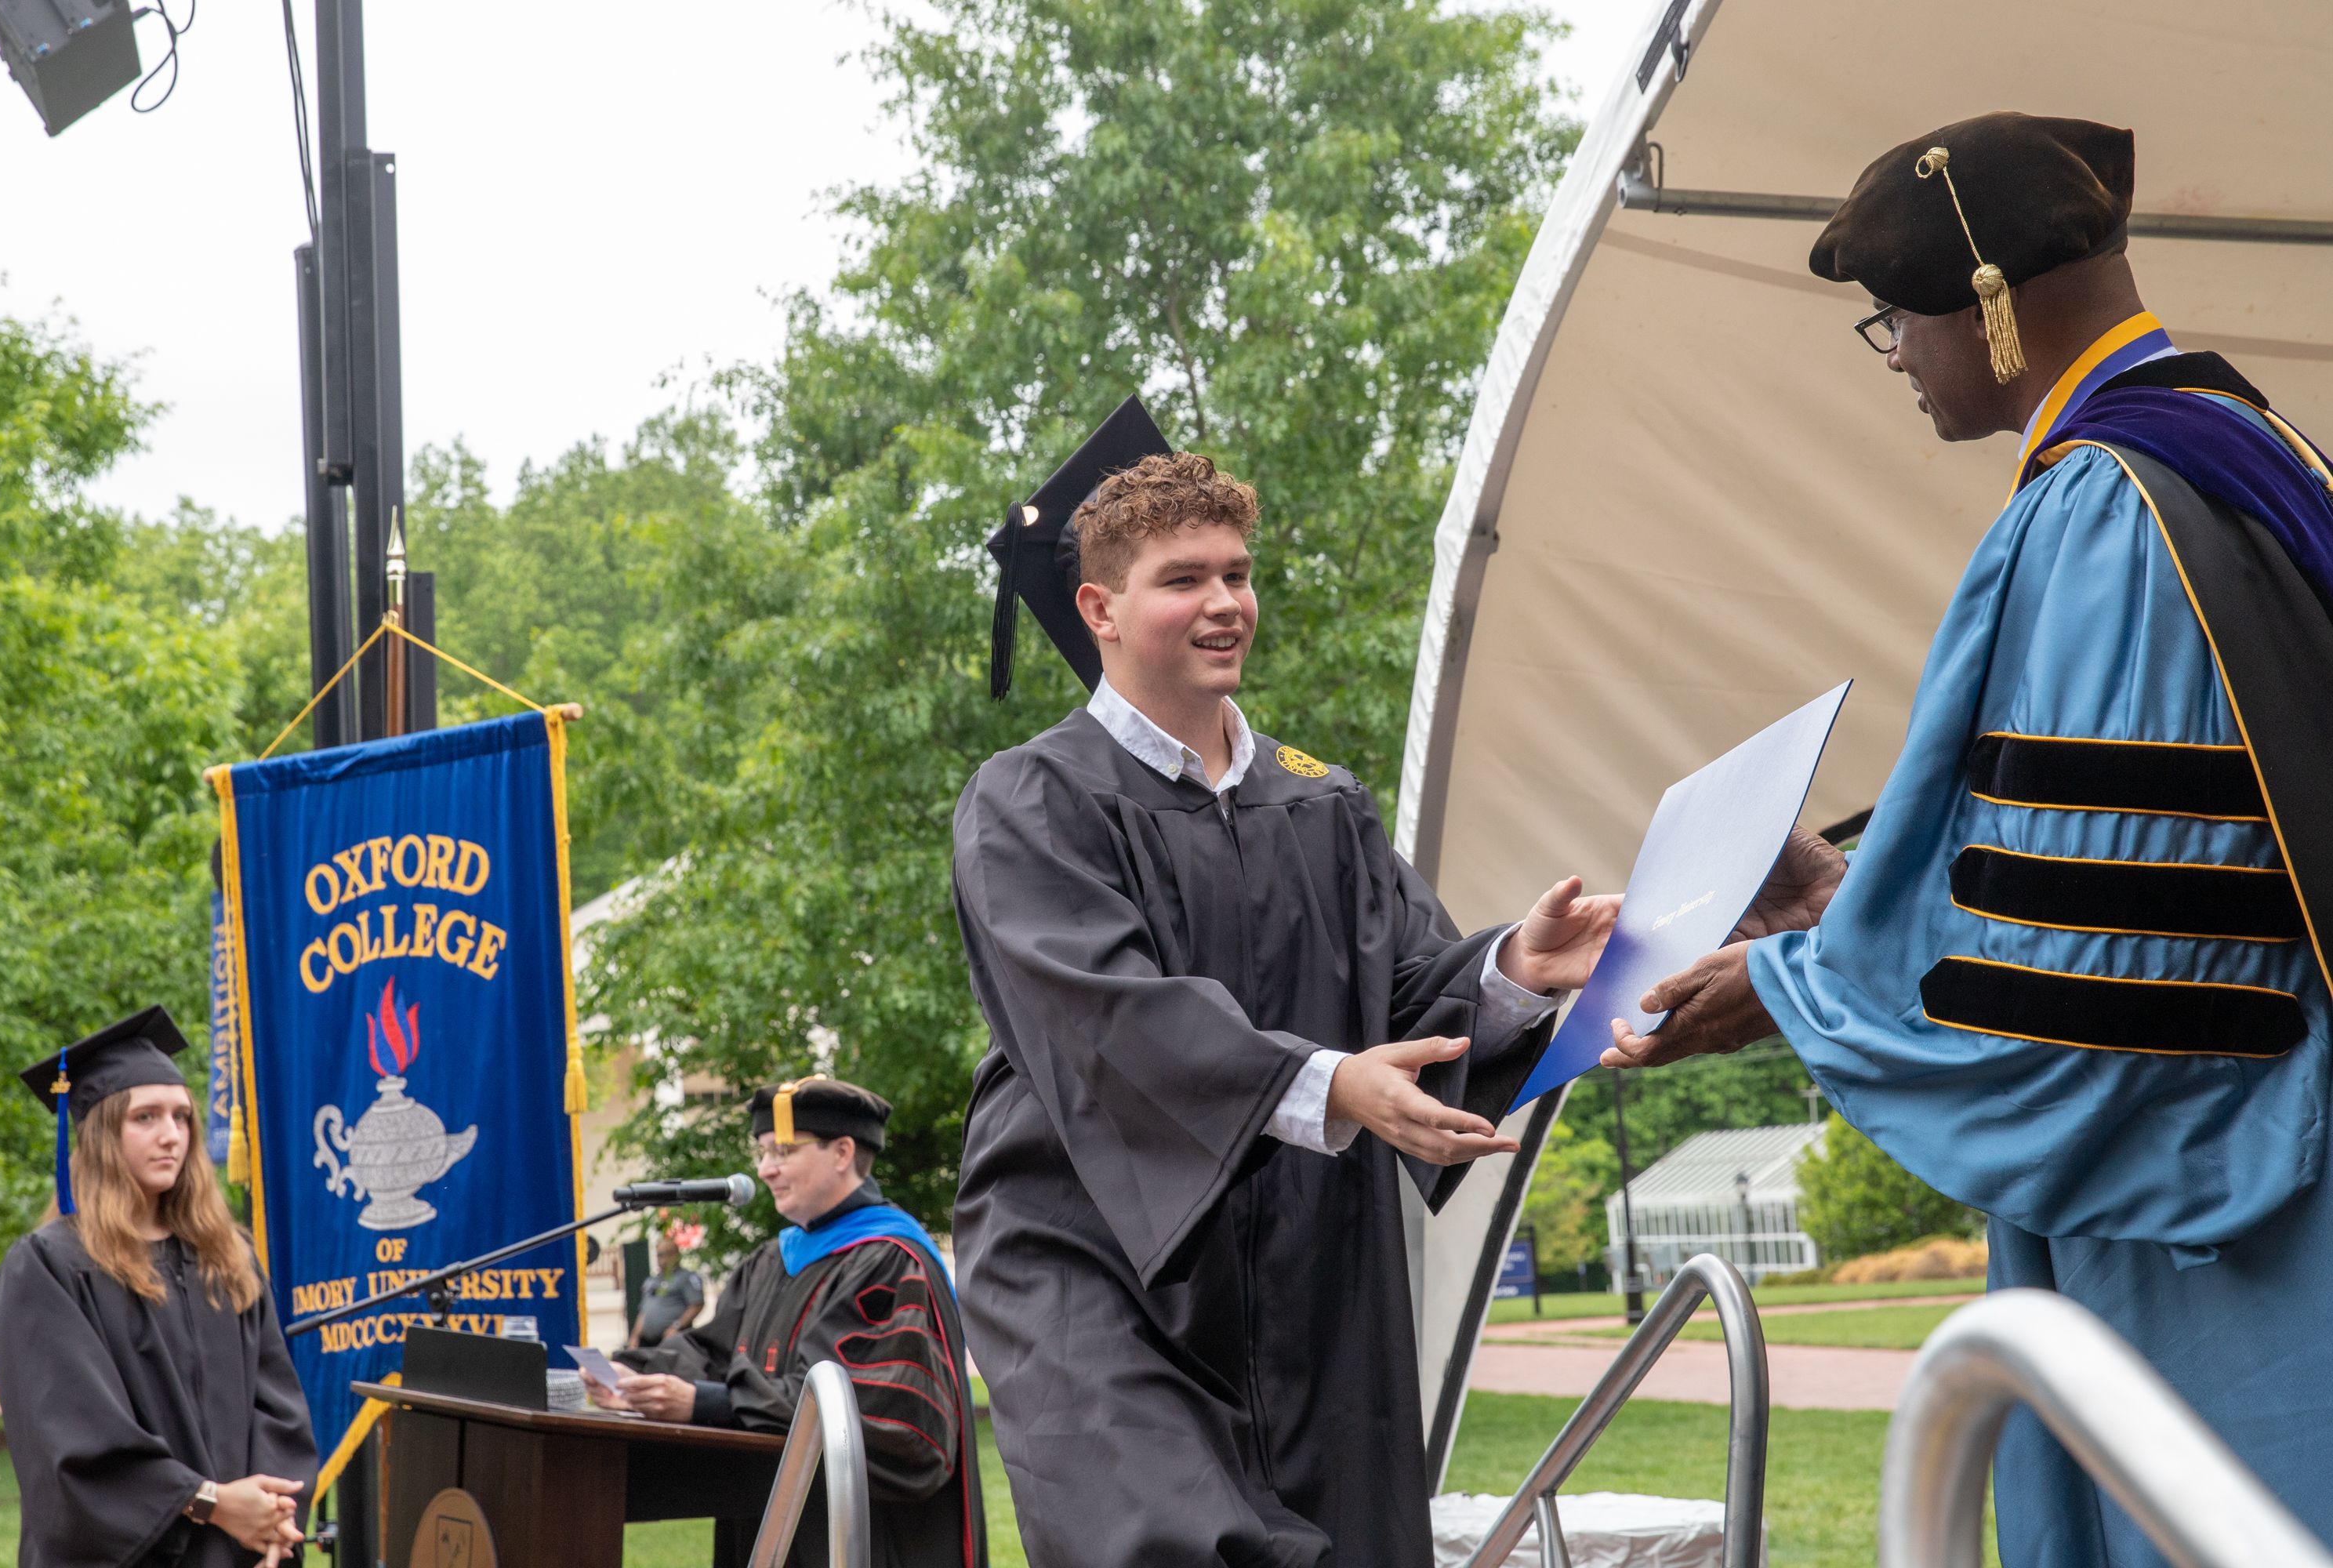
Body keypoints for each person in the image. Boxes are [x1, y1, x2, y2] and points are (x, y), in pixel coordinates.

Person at [1598, 114, 2333, 1566]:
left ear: (1989, 305)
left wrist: (1799, 989)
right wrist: (1854, 901)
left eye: (1894, 322)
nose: (1896, 360)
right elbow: (2125, 848)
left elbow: (2114, 961)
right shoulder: (2256, 449)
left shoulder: (2109, 509)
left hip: (2211, 1202)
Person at [952, 401, 1620, 1568]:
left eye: (1238, 574)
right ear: (1100, 610)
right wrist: (1328, 1084)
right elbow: (1105, 1019)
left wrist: (1517, 966)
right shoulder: (1032, 799)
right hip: (1100, 1268)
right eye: (1184, 579)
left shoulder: (1320, 801)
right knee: (1172, 1545)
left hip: (1313, 1271)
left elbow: (1404, 994)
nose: (1224, 602)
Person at [590, 1076, 983, 1568]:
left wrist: (707, 1403)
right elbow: (713, 1350)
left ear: (842, 1152)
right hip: (766, 1518)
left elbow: (879, 1418)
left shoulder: (892, 1262)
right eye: (762, 1152)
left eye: (783, 1151)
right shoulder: (770, 1262)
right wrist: (631, 1374)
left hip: (865, 1534)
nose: (764, 1169)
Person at [0, 1006, 319, 1568]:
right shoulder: (49, 1268)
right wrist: (212, 1504)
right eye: (145, 1117)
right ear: (100, 1133)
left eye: (182, 1117)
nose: (171, 1136)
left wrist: (270, 1515)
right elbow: (72, 1442)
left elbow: (280, 1414)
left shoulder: (227, 1259)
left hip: (234, 1555)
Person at [624, 1231, 705, 1350]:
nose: (661, 1259)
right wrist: (635, 1336)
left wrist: (677, 1326)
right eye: (659, 1255)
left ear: (675, 1255)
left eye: (665, 1254)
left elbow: (696, 1305)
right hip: (648, 1343)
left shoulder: (687, 1277)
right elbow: (644, 1311)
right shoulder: (651, 1281)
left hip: (673, 1340)